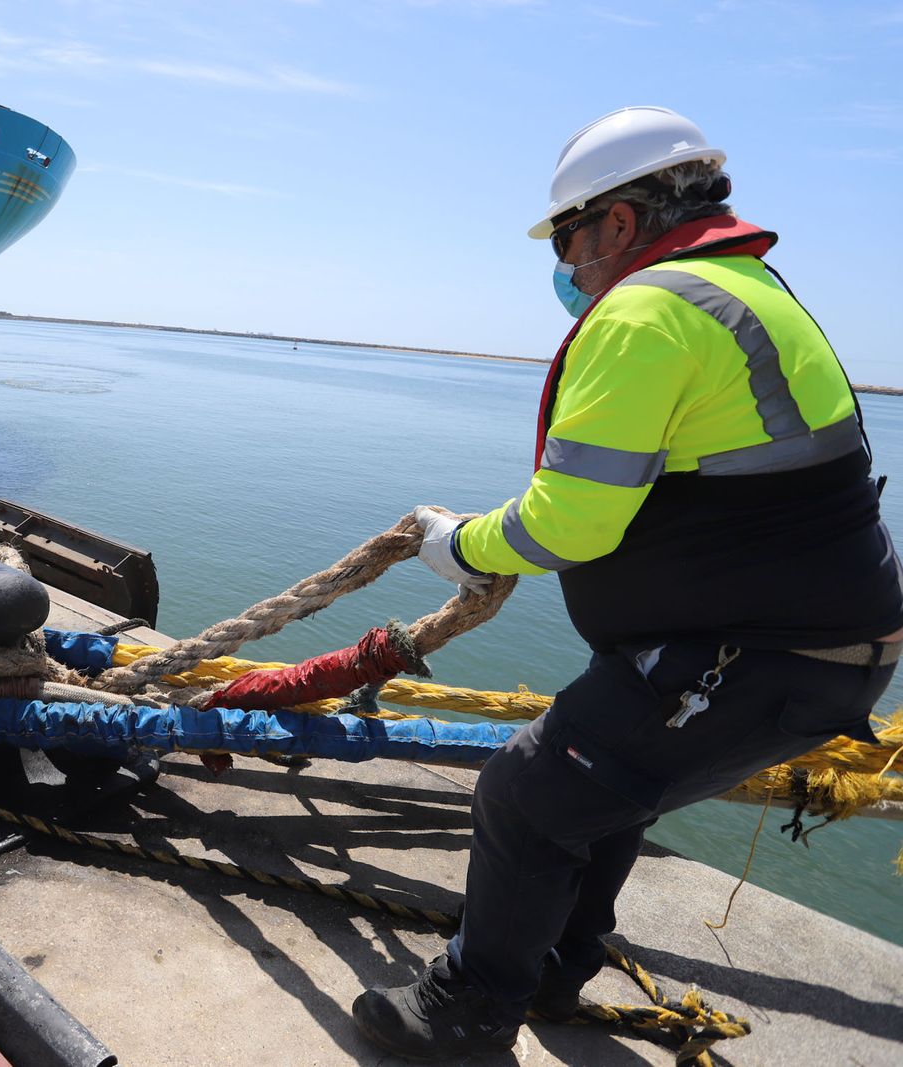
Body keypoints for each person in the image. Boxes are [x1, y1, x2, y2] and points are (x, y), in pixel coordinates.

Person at [353, 106, 903, 1060]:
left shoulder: (648, 308)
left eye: (567, 235)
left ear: (616, 222)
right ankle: (555, 966)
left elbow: (572, 520)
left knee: (526, 792)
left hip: (757, 654)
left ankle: (469, 1010)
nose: (564, 262)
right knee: (600, 785)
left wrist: (461, 545)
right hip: (815, 648)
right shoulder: (746, 289)